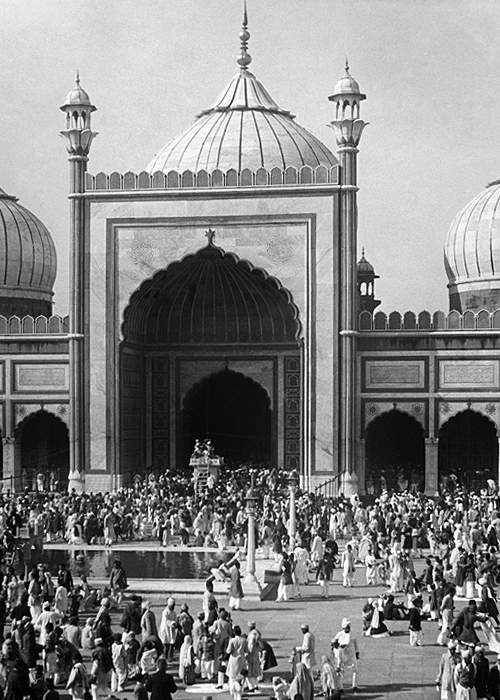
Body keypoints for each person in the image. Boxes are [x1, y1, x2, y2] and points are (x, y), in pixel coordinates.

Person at [331, 618, 359, 691]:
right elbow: (333, 642)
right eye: (346, 628)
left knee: (355, 669)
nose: (347, 629)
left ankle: (354, 685)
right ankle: (340, 687)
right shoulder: (340, 634)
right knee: (340, 670)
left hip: (352, 654)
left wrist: (357, 652)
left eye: (348, 627)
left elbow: (355, 644)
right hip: (342, 655)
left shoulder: (352, 634)